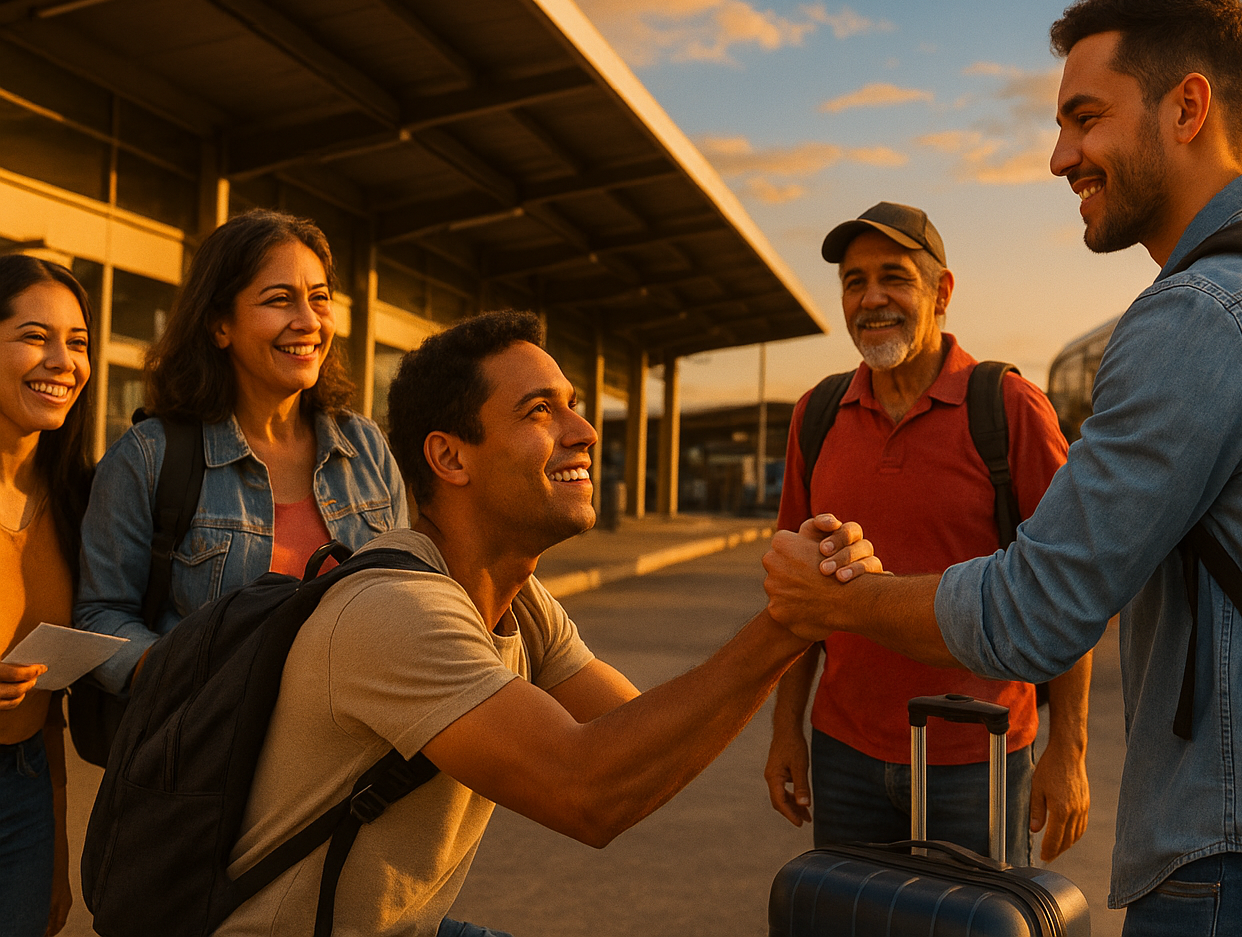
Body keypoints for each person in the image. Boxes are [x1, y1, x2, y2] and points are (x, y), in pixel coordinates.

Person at [764, 0, 1242, 935]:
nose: (1059, 156)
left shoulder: (1202, 318)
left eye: (1085, 118)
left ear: (1187, 106)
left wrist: (839, 601)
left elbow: (1038, 610)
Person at [215, 310, 871, 937]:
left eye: (573, 403)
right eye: (539, 410)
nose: (584, 431)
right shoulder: (396, 612)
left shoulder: (517, 600)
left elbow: (640, 747)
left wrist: (809, 603)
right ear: (450, 458)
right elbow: (588, 793)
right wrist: (791, 620)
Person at [765, 201, 1091, 866]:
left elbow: (1075, 582)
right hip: (844, 752)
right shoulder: (817, 415)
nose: (871, 299)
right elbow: (795, 598)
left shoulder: (1007, 408)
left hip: (979, 753)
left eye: (894, 277)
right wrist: (785, 729)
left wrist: (1070, 750)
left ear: (941, 291)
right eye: (854, 282)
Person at [75, 210, 409, 694]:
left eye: (320, 298)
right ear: (219, 326)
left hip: (357, 746)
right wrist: (191, 683)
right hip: (216, 755)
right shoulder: (148, 456)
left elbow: (408, 595)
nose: (309, 321)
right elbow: (100, 613)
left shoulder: (365, 447)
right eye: (280, 300)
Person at [0, 257, 95, 937]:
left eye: (79, 342)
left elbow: (52, 699)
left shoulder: (76, 500)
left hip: (25, 781)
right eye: (36, 336)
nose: (62, 361)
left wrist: (57, 842)